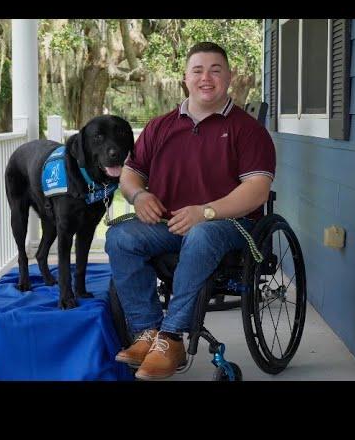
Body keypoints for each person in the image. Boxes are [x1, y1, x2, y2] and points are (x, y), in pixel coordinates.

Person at [105, 42, 276, 381]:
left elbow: (257, 190)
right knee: (120, 236)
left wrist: (206, 212)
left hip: (230, 226)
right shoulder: (160, 126)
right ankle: (147, 333)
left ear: (229, 77)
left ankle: (171, 338)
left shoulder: (248, 130)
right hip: (170, 225)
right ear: (185, 78)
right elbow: (130, 173)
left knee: (201, 232)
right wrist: (138, 195)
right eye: (198, 70)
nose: (206, 78)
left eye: (215, 70)